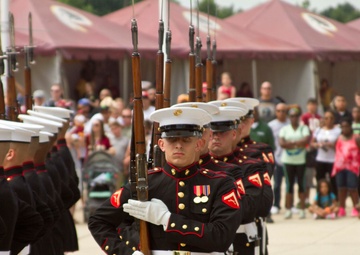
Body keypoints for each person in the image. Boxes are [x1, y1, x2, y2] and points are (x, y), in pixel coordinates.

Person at [88, 107, 242, 255]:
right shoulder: (145, 183)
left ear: (199, 144)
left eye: (186, 139)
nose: (178, 145)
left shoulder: (221, 184)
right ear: (161, 144)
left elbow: (222, 237)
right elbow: (98, 221)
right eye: (172, 139)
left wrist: (166, 219)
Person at [279, 107, 310, 219]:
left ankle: (302, 209)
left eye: (296, 116)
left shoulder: (304, 128)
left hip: (300, 160)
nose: (294, 118)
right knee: (289, 185)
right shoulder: (285, 129)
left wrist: (290, 143)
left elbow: (306, 141)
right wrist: (297, 143)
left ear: (299, 117)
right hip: (288, 161)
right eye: (291, 116)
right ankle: (288, 209)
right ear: (289, 117)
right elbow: (282, 144)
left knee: (301, 184)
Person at [332, 118, 360, 217]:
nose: (345, 128)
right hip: (340, 167)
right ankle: (342, 207)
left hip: (352, 167)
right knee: (341, 188)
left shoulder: (356, 138)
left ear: (350, 127)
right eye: (342, 127)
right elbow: (335, 149)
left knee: (352, 188)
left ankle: (355, 207)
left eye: (346, 126)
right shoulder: (339, 138)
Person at [311, 110, 341, 198]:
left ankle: (335, 200)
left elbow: (341, 145)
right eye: (326, 118)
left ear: (334, 119)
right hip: (321, 158)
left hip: (333, 159)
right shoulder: (318, 130)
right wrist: (317, 145)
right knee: (320, 181)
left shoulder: (338, 131)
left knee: (333, 181)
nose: (329, 120)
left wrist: (332, 145)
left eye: (331, 118)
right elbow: (312, 142)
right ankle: (320, 200)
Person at [268, 103, 290, 214]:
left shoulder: (290, 124)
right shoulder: (271, 126)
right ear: (276, 112)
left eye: (284, 111)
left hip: (289, 159)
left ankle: (289, 205)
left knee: (289, 184)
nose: (281, 113)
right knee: (277, 184)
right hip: (276, 158)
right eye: (279, 111)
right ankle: (276, 204)